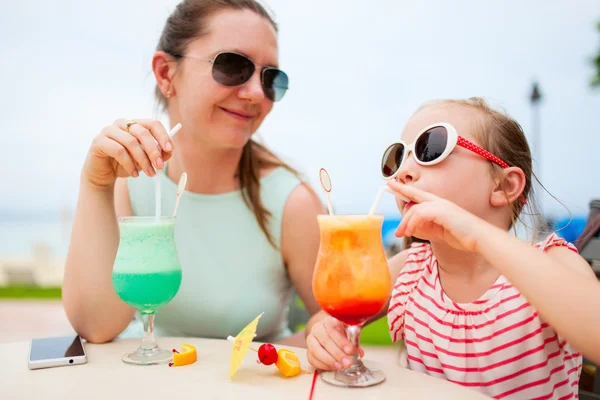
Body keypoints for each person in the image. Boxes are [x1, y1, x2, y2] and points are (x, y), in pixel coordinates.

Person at [62, 0, 323, 347]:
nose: (257, 94)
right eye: (233, 66)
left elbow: (334, 321)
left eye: (271, 77)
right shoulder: (130, 182)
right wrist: (96, 184)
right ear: (166, 73)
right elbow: (96, 326)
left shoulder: (292, 203)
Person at [306, 97, 600, 398]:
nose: (403, 171)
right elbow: (327, 319)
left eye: (429, 149)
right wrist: (326, 335)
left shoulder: (550, 262)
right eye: (399, 157)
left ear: (504, 186)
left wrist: (477, 234)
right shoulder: (410, 271)